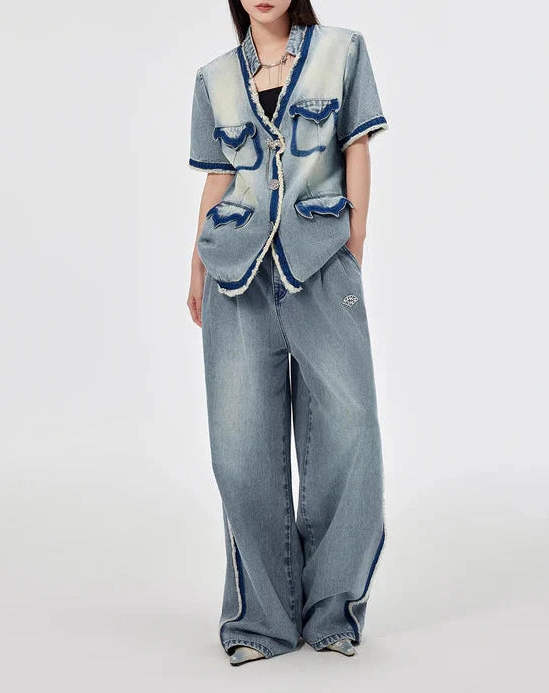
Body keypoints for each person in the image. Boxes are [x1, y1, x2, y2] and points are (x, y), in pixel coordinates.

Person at [187, 0, 388, 666]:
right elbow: (220, 175)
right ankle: (262, 620)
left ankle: (333, 610)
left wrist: (354, 246)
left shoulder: (342, 51)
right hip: (236, 273)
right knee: (239, 446)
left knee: (349, 432)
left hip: (322, 261)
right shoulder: (215, 79)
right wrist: (196, 264)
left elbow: (355, 146)